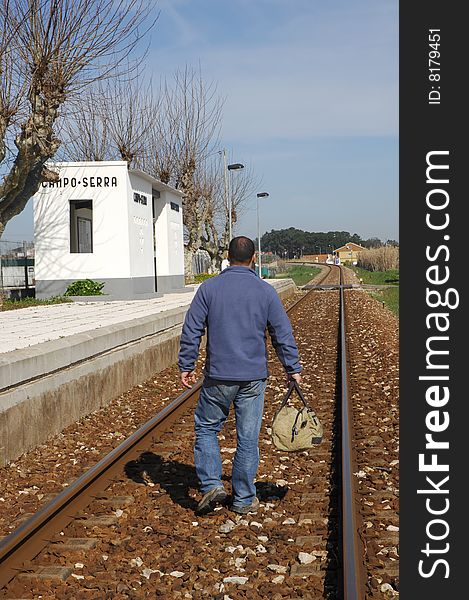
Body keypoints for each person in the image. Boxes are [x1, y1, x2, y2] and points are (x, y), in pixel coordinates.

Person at [178, 236, 302, 516]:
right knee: (248, 438)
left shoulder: (208, 289)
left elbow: (192, 329)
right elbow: (281, 334)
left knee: (207, 428)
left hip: (218, 376)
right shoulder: (265, 291)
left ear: (227, 256)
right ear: (254, 258)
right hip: (253, 378)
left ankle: (212, 485)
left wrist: (187, 364)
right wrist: (292, 368)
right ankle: (244, 499)